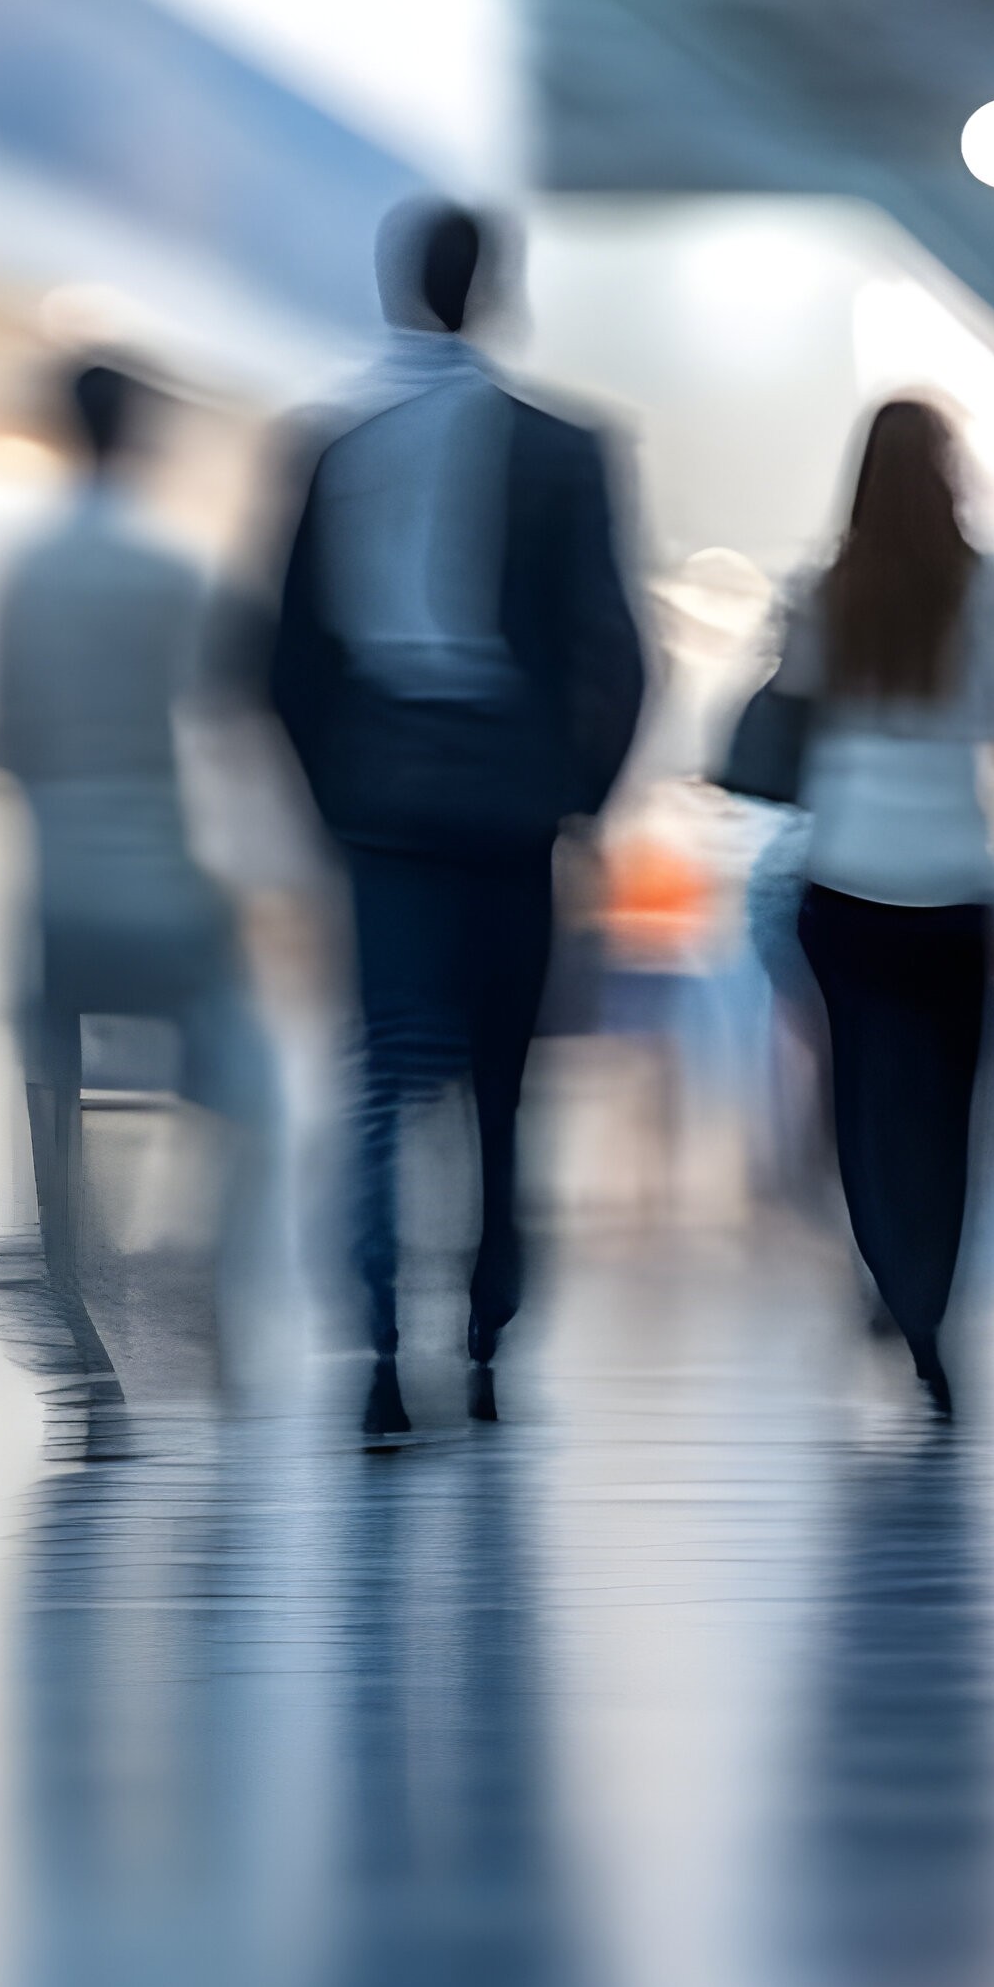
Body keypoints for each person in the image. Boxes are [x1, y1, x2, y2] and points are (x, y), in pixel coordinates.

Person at [265, 200, 648, 1446]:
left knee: (383, 1075)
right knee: (502, 1083)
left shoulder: (332, 448)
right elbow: (613, 645)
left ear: (393, 286)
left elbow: (281, 659)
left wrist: (329, 799)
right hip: (511, 800)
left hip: (383, 798)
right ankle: (486, 1338)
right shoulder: (564, 447)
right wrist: (585, 795)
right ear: (494, 288)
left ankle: (379, 1344)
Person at [737, 398, 994, 1415]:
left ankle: (888, 1278)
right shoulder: (992, 583)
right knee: (952, 1107)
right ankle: (931, 1308)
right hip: (958, 872)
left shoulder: (826, 587)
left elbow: (790, 698)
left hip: (846, 869)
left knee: (864, 1101)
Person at [0, 359, 276, 1424]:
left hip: (59, 883)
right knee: (247, 1092)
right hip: (163, 882)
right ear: (142, 436)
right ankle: (202, 1284)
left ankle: (69, 1303)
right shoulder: (174, 574)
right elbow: (224, 727)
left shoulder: (25, 573)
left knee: (49, 1090)